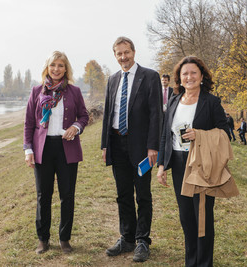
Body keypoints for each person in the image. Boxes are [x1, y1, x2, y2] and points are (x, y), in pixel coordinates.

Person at [156, 56, 232, 267]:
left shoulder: (211, 101)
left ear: (201, 76)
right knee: (186, 218)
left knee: (202, 219)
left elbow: (226, 134)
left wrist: (199, 134)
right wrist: (162, 166)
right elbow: (165, 136)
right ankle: (191, 262)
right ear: (179, 79)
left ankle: (204, 263)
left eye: (193, 73)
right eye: (184, 74)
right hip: (179, 164)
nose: (189, 77)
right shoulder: (173, 101)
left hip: (202, 164)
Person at [101, 36, 163, 262]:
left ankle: (142, 241)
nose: (123, 57)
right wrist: (105, 145)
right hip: (117, 144)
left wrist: (153, 146)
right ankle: (126, 237)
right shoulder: (112, 80)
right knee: (123, 194)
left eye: (126, 52)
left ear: (133, 52)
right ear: (115, 56)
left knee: (143, 195)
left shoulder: (150, 77)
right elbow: (108, 114)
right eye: (119, 53)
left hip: (141, 148)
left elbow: (157, 113)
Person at [23, 51, 89, 254]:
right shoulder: (36, 91)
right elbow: (29, 124)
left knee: (67, 195)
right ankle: (43, 239)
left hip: (66, 148)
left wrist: (76, 127)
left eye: (61, 65)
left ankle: (64, 238)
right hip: (43, 149)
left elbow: (84, 116)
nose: (56, 69)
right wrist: (28, 150)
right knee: (44, 195)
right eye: (53, 65)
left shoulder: (74, 91)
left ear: (66, 69)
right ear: (47, 67)